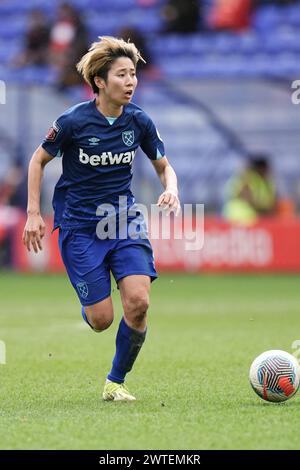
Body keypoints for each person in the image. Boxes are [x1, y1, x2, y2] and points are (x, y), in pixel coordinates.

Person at [22, 36, 180, 401]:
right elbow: (37, 161)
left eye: (133, 74)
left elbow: (164, 167)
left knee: (139, 303)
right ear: (99, 81)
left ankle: (115, 381)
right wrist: (33, 214)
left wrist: (171, 188)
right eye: (122, 75)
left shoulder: (139, 121)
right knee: (101, 321)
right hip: (79, 228)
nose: (131, 82)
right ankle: (91, 303)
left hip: (123, 221)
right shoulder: (73, 121)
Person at [223, 154, 277, 225]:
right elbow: (246, 196)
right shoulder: (247, 178)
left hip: (254, 219)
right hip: (238, 218)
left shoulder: (267, 182)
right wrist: (262, 209)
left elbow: (270, 203)